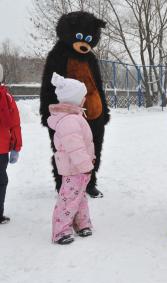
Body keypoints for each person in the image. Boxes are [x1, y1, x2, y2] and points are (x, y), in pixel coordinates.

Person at [48, 73, 95, 244]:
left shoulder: (74, 117)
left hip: (79, 168)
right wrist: (85, 165)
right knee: (68, 199)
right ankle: (60, 231)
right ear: (74, 100)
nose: (84, 100)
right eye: (82, 97)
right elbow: (75, 148)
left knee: (80, 196)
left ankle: (82, 224)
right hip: (74, 167)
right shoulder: (69, 121)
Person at [0, 63, 22, 224]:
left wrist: (16, 147)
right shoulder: (6, 97)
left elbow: (14, 124)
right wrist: (16, 147)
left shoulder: (6, 98)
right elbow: (14, 125)